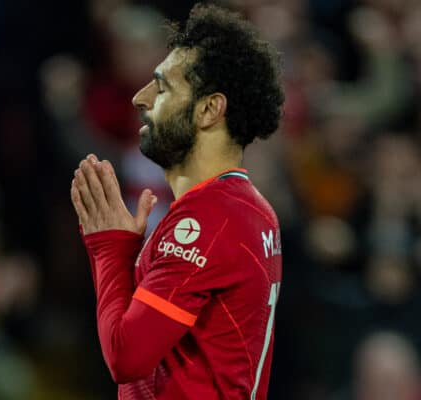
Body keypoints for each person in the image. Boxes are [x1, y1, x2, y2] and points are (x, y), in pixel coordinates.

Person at [70, 3, 285, 399]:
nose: (140, 98)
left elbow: (127, 356)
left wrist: (110, 250)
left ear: (208, 109)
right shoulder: (244, 209)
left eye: (163, 86)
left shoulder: (210, 218)